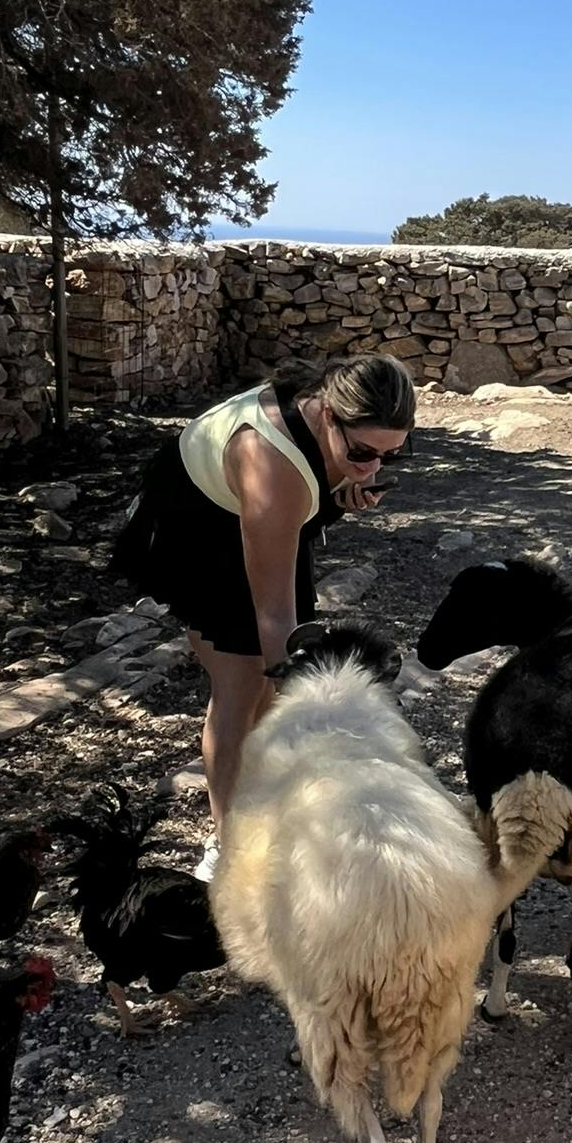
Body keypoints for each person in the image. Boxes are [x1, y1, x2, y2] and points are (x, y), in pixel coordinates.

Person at [113, 354, 416, 877]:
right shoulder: (270, 465)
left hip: (260, 517)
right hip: (200, 530)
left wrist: (342, 492)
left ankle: (270, 812)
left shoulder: (322, 432)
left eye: (393, 454)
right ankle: (230, 848)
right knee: (243, 687)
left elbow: (308, 497)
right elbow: (275, 613)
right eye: (364, 453)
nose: (374, 468)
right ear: (328, 415)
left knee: (273, 689)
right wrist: (302, 703)